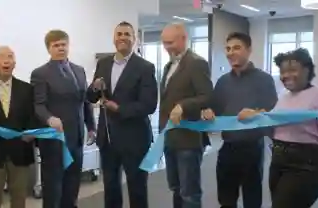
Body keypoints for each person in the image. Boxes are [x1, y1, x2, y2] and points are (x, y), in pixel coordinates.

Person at [202, 32, 277, 208]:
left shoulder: (264, 80)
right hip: (227, 148)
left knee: (252, 200)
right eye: (228, 49)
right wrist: (207, 111)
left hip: (253, 148)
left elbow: (272, 112)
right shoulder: (222, 82)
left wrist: (257, 113)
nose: (230, 52)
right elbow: (214, 110)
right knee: (226, 200)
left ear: (249, 50)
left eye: (236, 47)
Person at [87, 21, 158, 208]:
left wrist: (119, 109)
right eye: (119, 34)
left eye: (127, 34)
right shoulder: (103, 64)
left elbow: (149, 105)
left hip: (135, 139)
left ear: (134, 39)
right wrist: (94, 87)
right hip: (108, 139)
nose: (123, 37)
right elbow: (91, 97)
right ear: (114, 38)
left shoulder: (145, 67)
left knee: (137, 189)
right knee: (110, 188)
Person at [262, 48, 318, 207]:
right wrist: (257, 116)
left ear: (307, 70)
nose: (285, 76)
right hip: (278, 160)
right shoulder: (283, 96)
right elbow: (274, 127)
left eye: (292, 70)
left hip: (307, 165)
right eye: (282, 72)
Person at [30, 30, 96, 208]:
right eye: (56, 45)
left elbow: (85, 101)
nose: (60, 48)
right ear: (49, 49)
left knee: (72, 186)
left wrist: (91, 126)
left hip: (76, 138)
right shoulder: (40, 74)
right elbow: (38, 105)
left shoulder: (79, 71)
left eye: (63, 44)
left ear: (68, 45)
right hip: (54, 140)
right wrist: (49, 118)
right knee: (53, 189)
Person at [159, 23, 212, 208]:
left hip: (188, 140)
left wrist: (183, 105)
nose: (167, 47)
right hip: (170, 138)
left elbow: (207, 96)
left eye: (170, 42)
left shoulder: (196, 63)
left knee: (189, 193)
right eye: (164, 43)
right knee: (176, 188)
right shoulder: (169, 66)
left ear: (183, 39)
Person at [0, 46, 37, 208]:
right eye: (2, 56)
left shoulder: (27, 89)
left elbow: (33, 116)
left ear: (14, 63)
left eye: (10, 56)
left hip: (20, 151)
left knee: (19, 200)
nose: (6, 60)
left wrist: (32, 134)